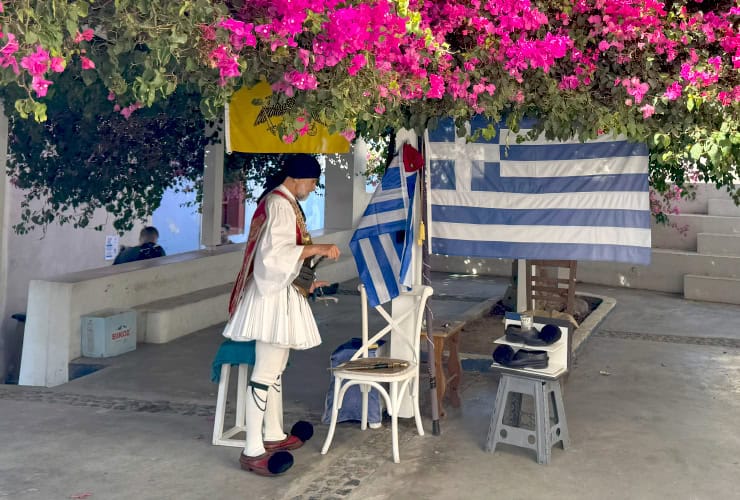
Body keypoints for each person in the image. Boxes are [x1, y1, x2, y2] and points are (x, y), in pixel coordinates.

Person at [222, 154, 340, 476]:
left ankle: (273, 434)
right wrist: (316, 249)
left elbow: (283, 260)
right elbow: (273, 257)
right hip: (271, 299)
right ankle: (252, 449)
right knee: (264, 372)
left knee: (274, 370)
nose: (312, 188)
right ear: (299, 178)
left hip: (279, 295)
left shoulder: (282, 202)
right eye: (313, 182)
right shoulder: (279, 204)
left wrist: (310, 280)